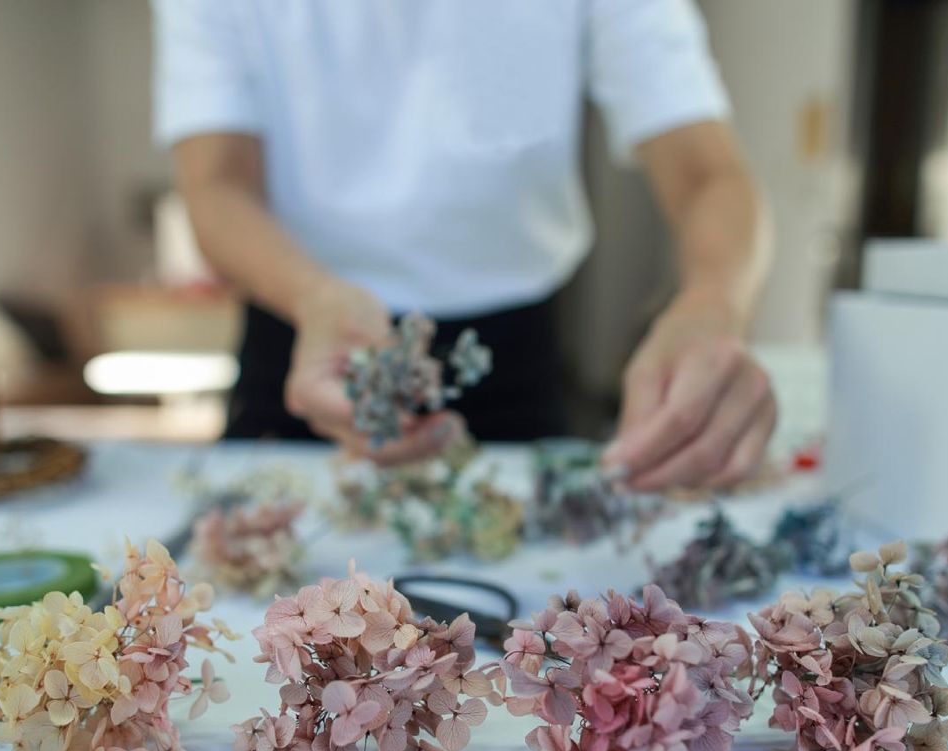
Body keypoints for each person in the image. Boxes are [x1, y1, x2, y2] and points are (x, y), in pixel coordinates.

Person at [152, 0, 774, 491]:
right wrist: (313, 297)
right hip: (302, 342)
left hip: (513, 359)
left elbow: (709, 173)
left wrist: (712, 306)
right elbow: (215, 185)